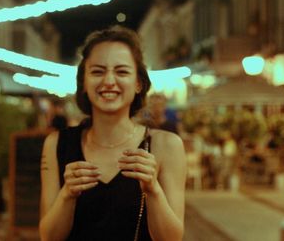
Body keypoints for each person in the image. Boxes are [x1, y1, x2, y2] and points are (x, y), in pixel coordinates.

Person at [39, 26, 186, 241]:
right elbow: (48, 237)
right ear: (84, 84)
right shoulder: (56, 144)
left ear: (138, 83)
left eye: (122, 71)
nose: (109, 81)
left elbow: (172, 239)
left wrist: (153, 189)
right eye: (97, 71)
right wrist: (67, 195)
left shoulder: (166, 145)